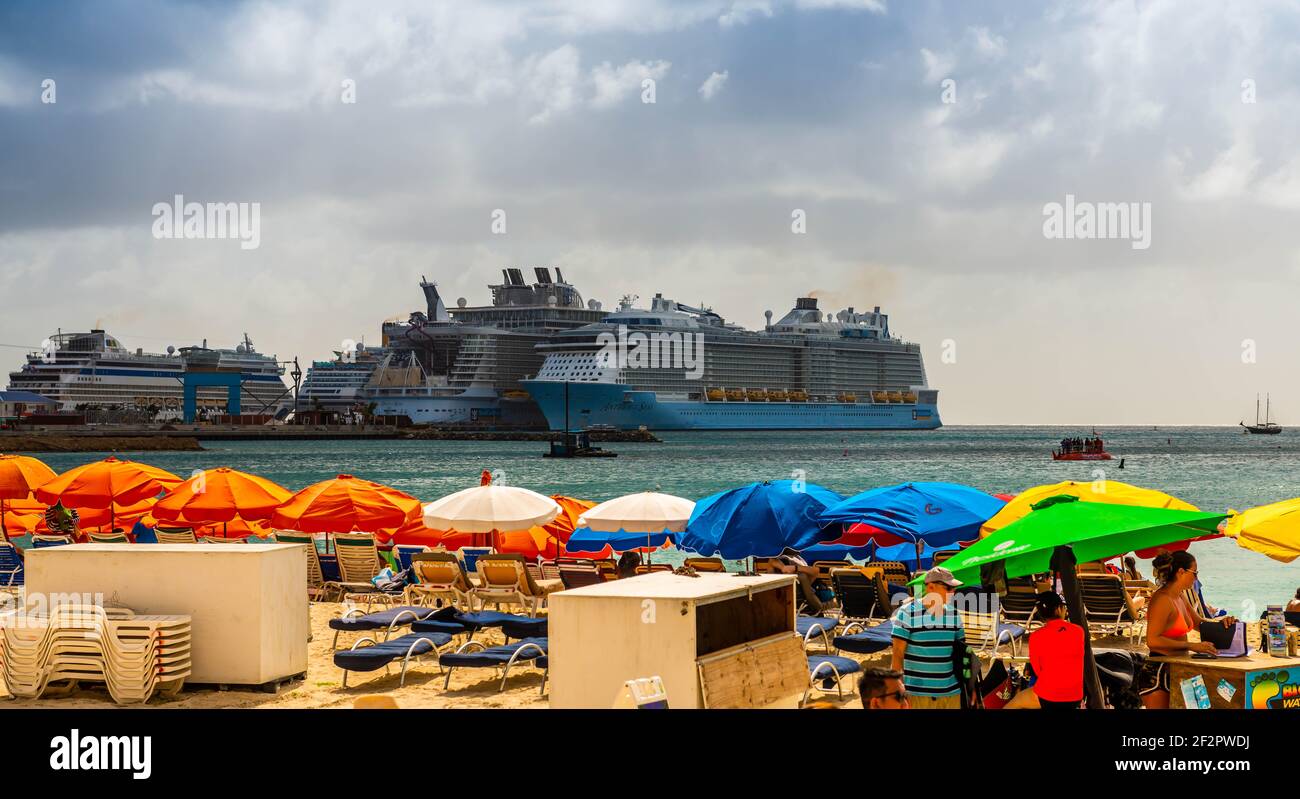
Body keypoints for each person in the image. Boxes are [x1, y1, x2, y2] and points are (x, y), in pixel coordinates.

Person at [1138, 550, 1236, 708]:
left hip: (1182, 669)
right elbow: (1153, 640)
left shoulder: (1179, 595)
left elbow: (1199, 623)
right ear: (1181, 572)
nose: (1196, 578)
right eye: (1195, 573)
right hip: (1159, 674)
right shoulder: (1162, 599)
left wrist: (1223, 623)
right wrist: (1191, 646)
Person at [890, 566, 966, 709]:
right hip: (916, 694)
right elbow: (897, 654)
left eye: (954, 588)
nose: (953, 592)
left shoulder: (954, 614)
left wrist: (970, 686)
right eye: (949, 588)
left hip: (951, 693)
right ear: (931, 587)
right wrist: (897, 690)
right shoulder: (907, 612)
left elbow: (962, 653)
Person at [1027, 592, 1084, 709]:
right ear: (1058, 609)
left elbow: (1038, 670)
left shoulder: (1035, 637)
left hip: (1047, 696)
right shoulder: (1078, 631)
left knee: (1017, 701)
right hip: (1074, 696)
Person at [773, 547, 824, 614]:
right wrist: (792, 568)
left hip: (784, 602)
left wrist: (793, 568)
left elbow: (816, 571)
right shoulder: (789, 561)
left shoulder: (794, 559)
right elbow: (816, 572)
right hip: (802, 605)